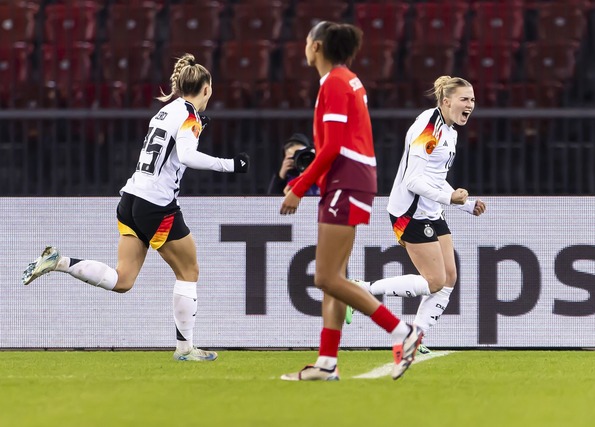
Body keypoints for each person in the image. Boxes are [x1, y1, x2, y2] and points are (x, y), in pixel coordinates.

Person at [21, 53, 250, 362]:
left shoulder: (165, 112)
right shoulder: (190, 115)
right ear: (206, 89)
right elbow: (186, 155)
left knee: (123, 280)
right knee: (189, 271)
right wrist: (230, 165)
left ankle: (59, 261)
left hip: (130, 200)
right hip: (156, 205)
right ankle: (185, 349)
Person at [279, 21, 423, 381]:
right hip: (352, 180)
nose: (305, 45)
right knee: (334, 277)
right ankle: (327, 364)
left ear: (316, 46)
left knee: (326, 276)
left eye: (307, 39)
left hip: (346, 179)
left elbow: (332, 146)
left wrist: (299, 185)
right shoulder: (347, 79)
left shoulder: (336, 83)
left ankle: (404, 333)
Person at [346, 76, 486, 354]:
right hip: (410, 212)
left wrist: (465, 204)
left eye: (472, 99)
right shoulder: (428, 127)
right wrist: (449, 197)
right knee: (434, 280)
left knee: (448, 278)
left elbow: (435, 177)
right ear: (446, 102)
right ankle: (363, 290)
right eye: (464, 99)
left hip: (432, 210)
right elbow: (412, 180)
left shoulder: (451, 131)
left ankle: (415, 337)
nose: (470, 104)